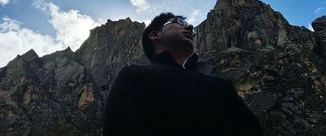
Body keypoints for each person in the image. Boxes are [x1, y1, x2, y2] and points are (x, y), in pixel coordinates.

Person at [103, 12, 263, 136]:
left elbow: (252, 127)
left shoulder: (221, 84)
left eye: (188, 25)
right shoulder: (133, 75)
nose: (190, 27)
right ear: (155, 35)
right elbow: (118, 125)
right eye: (178, 22)